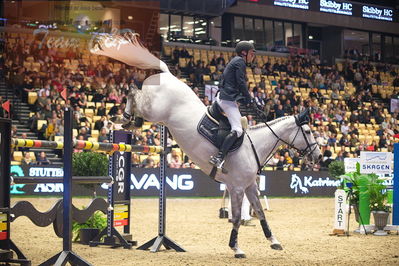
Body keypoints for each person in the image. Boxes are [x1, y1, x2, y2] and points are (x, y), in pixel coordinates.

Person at [209, 41, 255, 169]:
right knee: (238, 129)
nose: (253, 56)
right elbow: (240, 82)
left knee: (241, 125)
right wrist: (248, 99)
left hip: (226, 97)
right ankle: (219, 158)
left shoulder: (236, 61)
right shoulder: (240, 62)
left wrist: (244, 99)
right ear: (244, 53)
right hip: (227, 99)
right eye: (251, 53)